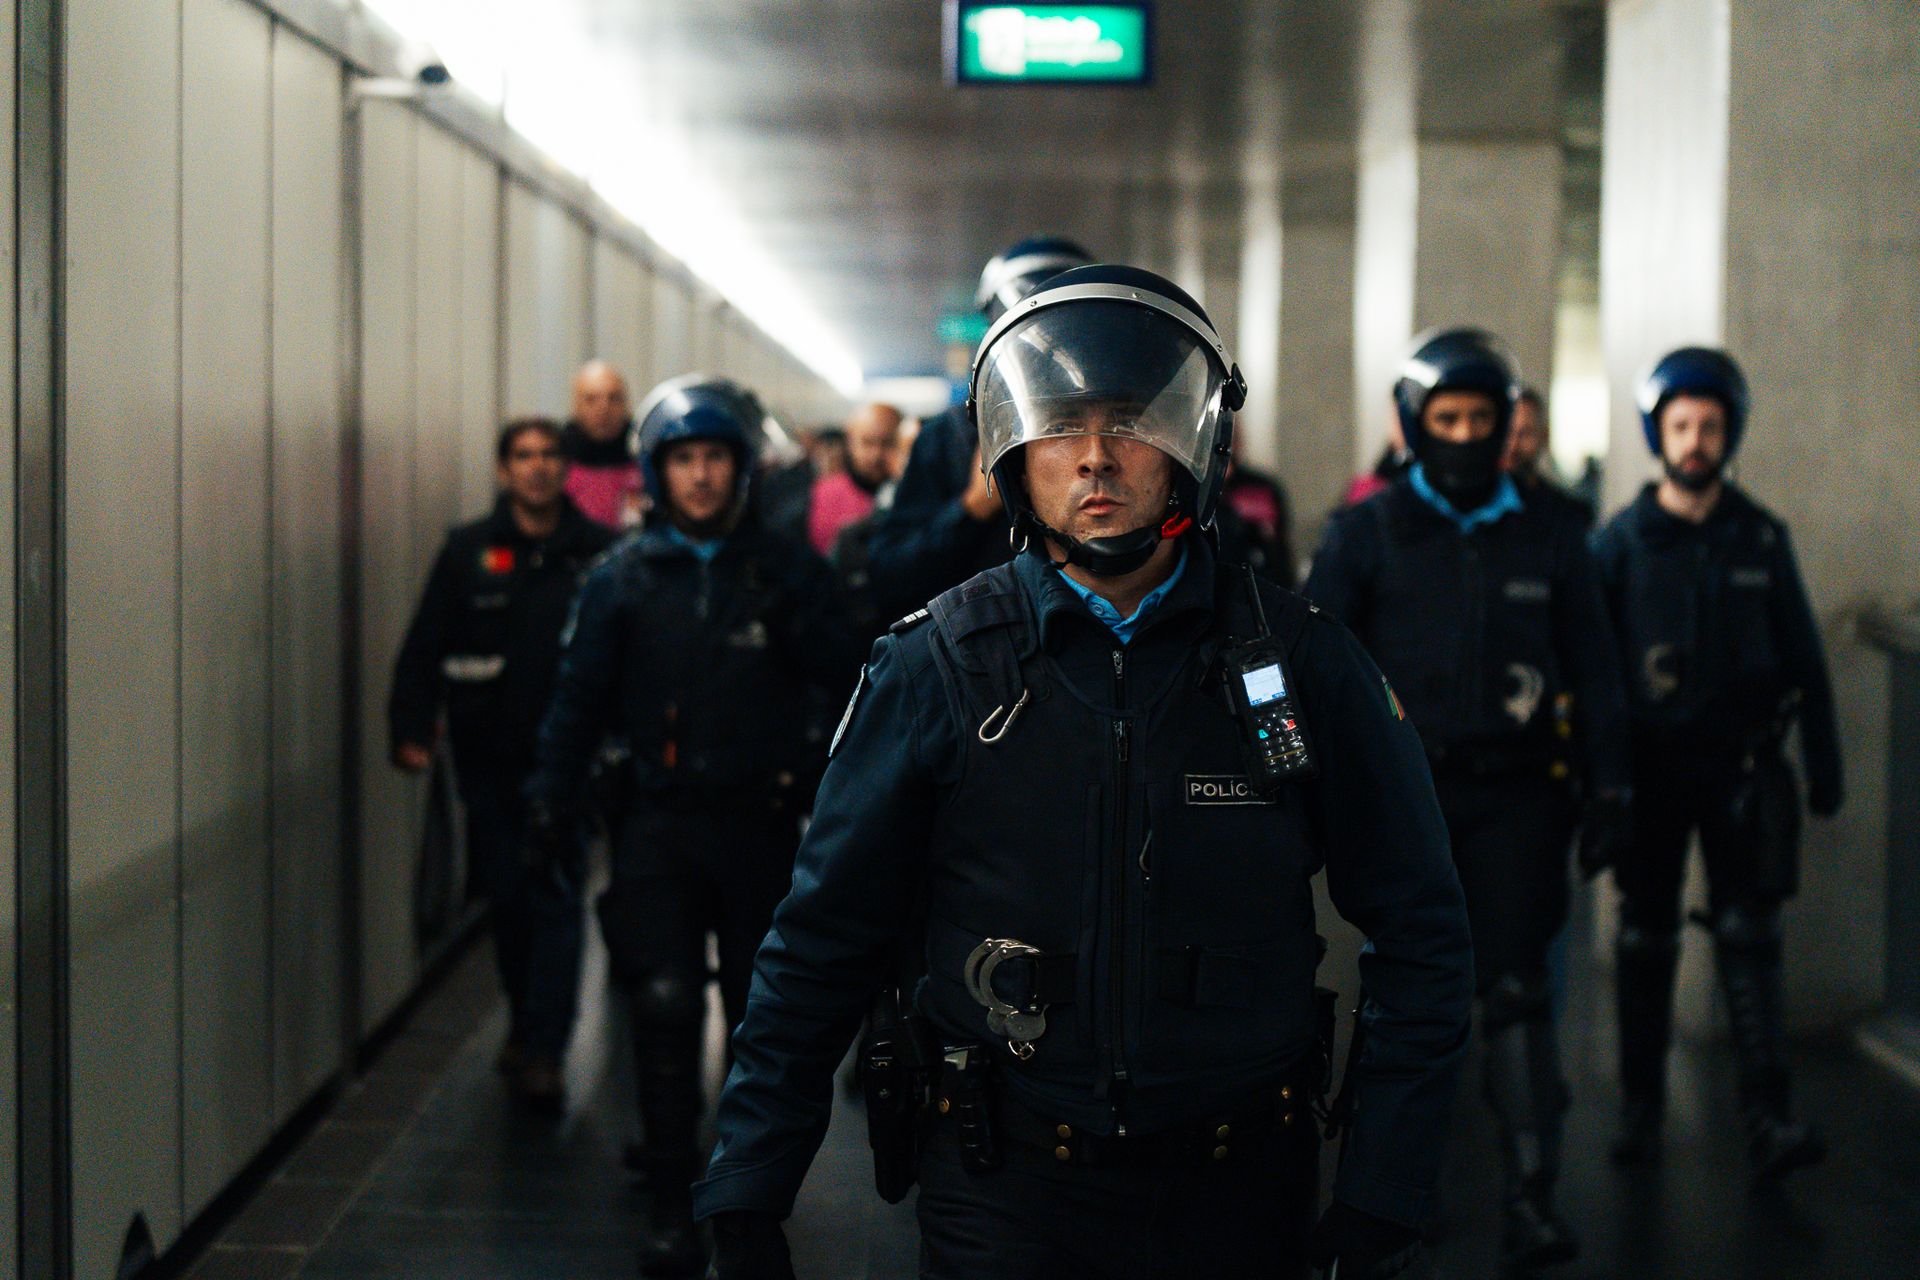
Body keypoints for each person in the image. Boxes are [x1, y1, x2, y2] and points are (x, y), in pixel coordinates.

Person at [694, 265, 1474, 1280]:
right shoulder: (938, 666)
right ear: (1013, 451)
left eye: (1132, 420)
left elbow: (1422, 924)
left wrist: (1384, 1186)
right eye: (1061, 423)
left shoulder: (1302, 663)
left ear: (1195, 442)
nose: (1097, 455)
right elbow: (821, 939)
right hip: (1004, 1184)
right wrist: (750, 1183)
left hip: (1238, 1186)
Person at [1304, 328, 1633, 1273]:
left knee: (1519, 988)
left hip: (1521, 795)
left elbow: (1598, 669)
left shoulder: (1552, 532)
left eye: (1478, 418)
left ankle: (1532, 1200)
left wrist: (1613, 784)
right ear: (1415, 425)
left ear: (1504, 423)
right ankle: (1394, 1196)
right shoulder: (1365, 532)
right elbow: (1315, 666)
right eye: (1444, 419)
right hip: (1402, 796)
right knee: (1406, 990)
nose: (1462, 435)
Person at [525, 375, 863, 1277]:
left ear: (741, 468)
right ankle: (673, 1198)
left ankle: (744, 1200)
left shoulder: (786, 574)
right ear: (658, 471)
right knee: (666, 1005)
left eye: (716, 458)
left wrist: (830, 779)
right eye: (685, 460)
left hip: (759, 824)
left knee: (759, 1014)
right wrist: (549, 802)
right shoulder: (622, 579)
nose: (702, 475)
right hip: (657, 826)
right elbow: (577, 699)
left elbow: (852, 685)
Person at [1591, 347, 1842, 1180]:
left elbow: (1806, 658)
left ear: (1730, 433)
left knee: (1751, 937)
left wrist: (1825, 762)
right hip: (1650, 775)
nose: (1695, 441)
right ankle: (1640, 1112)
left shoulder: (1760, 538)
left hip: (1742, 771)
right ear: (1657, 434)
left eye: (1710, 426)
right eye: (1681, 426)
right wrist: (1600, 779)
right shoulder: (1620, 543)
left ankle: (1769, 1118)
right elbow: (1592, 671)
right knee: (1644, 937)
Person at [387, 418, 615, 1111]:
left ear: (565, 467)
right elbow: (425, 645)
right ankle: (523, 1019)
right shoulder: (468, 551)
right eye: (523, 455)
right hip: (487, 760)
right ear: (503, 469)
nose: (537, 466)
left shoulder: (600, 553)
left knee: (557, 898)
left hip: (568, 764)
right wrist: (410, 727)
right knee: (509, 901)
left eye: (549, 455)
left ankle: (545, 1048)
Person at [863, 236, 1094, 620]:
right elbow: (890, 577)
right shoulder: (951, 437)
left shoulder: (1119, 431)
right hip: (976, 639)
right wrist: (972, 508)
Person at [808, 403, 903, 555]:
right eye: (867, 442)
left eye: (887, 443)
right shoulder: (822, 495)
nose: (876, 455)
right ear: (850, 442)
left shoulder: (916, 496)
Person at [563, 359, 646, 529]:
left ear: (626, 405)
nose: (603, 408)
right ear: (575, 407)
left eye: (613, 398)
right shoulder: (555, 461)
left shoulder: (648, 459)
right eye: (591, 399)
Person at [1506, 385, 1594, 526]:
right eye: (1507, 432)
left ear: (1544, 436)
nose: (1512, 446)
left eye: (1525, 433)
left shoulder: (1569, 515)